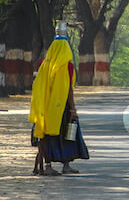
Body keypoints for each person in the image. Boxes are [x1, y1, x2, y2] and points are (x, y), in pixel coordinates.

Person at [29, 27, 89, 176]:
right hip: (62, 106)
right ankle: (66, 165)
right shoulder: (67, 65)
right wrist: (73, 108)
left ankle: (47, 166)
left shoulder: (44, 63)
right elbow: (68, 88)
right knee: (67, 135)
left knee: (47, 136)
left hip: (45, 106)